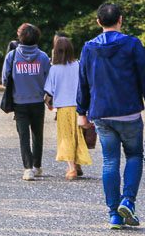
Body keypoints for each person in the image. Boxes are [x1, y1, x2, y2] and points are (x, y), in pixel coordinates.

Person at [77, 3, 145, 229]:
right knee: (134, 155)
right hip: (129, 112)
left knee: (110, 161)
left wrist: (81, 112)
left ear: (98, 22)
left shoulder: (89, 47)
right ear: (120, 20)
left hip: (102, 114)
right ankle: (128, 201)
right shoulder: (133, 44)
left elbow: (83, 82)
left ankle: (114, 214)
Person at [2, 23, 50, 181]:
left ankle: (27, 168)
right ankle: (37, 166)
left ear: (20, 37)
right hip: (38, 101)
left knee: (23, 136)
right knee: (38, 134)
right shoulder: (43, 56)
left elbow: (4, 80)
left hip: (19, 102)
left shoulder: (12, 56)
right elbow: (48, 80)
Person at [44, 35, 91, 180]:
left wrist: (48, 103)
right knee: (78, 136)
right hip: (80, 106)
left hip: (63, 108)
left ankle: (71, 169)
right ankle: (78, 164)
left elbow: (49, 91)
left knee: (66, 137)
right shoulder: (78, 65)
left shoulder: (54, 69)